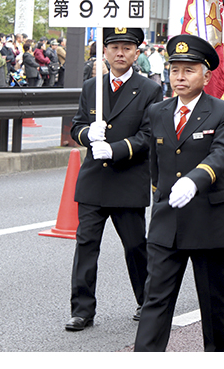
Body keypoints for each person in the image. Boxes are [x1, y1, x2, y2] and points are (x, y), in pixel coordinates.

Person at [134, 35, 224, 351]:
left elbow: (222, 153)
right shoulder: (158, 111)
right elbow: (155, 163)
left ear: (206, 76)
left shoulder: (223, 111)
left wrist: (195, 179)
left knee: (213, 303)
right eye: (174, 70)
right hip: (168, 222)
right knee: (156, 300)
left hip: (208, 219)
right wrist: (161, 196)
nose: (180, 77)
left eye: (189, 70)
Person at [66, 27, 162, 332]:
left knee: (135, 246)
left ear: (137, 53)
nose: (120, 53)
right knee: (86, 245)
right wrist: (86, 134)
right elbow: (77, 126)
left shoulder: (150, 90)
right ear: (104, 51)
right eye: (114, 47)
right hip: (94, 179)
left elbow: (148, 135)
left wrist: (117, 148)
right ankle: (82, 310)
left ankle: (146, 300)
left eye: (127, 48)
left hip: (128, 177)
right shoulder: (91, 86)